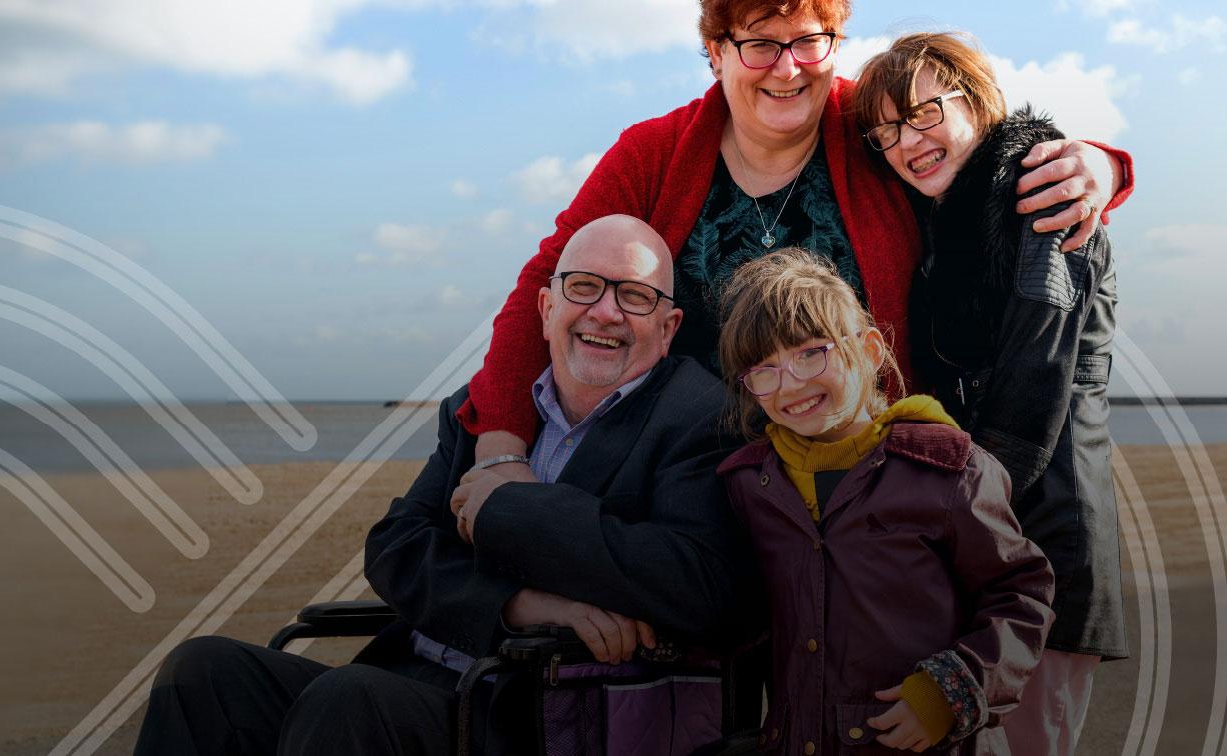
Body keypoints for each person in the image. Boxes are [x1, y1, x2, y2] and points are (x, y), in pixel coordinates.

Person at [132, 215, 746, 755]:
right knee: (203, 671)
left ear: (667, 329)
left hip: (539, 708)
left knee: (350, 701)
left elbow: (692, 580)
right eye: (583, 287)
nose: (605, 312)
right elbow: (396, 545)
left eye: (635, 297)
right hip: (421, 666)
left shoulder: (698, 416)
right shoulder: (486, 410)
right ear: (547, 309)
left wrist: (510, 505)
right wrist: (519, 605)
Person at [460, 0, 1133, 485]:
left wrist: (1101, 166)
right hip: (687, 475)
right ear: (717, 52)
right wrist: (501, 446)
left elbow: (976, 158)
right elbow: (550, 281)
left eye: (809, 41)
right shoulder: (655, 153)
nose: (787, 69)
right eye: (760, 43)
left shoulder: (872, 125)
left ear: (836, 45)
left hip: (866, 475)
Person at [852, 32, 1124, 755]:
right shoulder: (949, 221)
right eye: (884, 134)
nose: (906, 143)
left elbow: (1037, 380)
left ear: (974, 98)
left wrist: (943, 511)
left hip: (1047, 527)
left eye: (922, 113)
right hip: (989, 529)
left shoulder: (1041, 195)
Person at [714, 248, 1055, 755]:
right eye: (763, 368)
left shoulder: (949, 470)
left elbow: (1021, 593)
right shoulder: (747, 485)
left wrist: (952, 691)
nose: (792, 383)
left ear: (871, 350)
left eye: (812, 352)